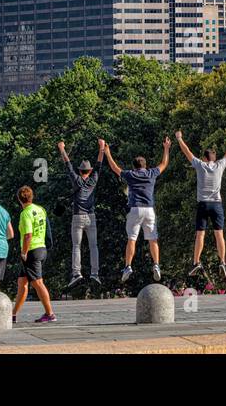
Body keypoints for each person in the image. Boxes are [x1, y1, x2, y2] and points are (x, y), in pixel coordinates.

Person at [101, 137, 171, 284]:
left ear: (134, 167)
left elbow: (115, 168)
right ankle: (156, 264)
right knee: (153, 239)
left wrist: (107, 153)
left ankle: (128, 266)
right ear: (145, 165)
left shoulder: (131, 175)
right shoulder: (151, 173)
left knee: (131, 239)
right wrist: (166, 148)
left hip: (135, 209)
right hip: (149, 210)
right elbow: (164, 163)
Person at [177, 129, 226, 276]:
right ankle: (222, 262)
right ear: (214, 158)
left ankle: (196, 262)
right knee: (219, 235)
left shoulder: (200, 165)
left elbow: (187, 152)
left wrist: (179, 139)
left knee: (200, 235)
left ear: (204, 158)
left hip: (203, 204)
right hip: (217, 205)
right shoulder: (220, 165)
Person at [58, 140, 102, 287]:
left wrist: (62, 148)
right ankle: (95, 273)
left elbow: (67, 164)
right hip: (91, 216)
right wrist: (101, 148)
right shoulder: (93, 180)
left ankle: (77, 273)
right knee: (93, 246)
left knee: (76, 246)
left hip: (77, 216)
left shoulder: (76, 179)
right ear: (89, 171)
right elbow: (99, 165)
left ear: (80, 171)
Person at [12, 185, 56, 323]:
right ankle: (12, 315)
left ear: (19, 200)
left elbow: (28, 235)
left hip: (31, 250)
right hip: (41, 247)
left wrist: (24, 252)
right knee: (22, 282)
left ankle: (50, 314)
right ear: (32, 197)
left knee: (37, 282)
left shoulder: (26, 213)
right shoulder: (40, 209)